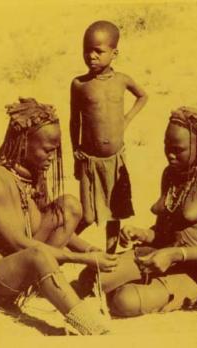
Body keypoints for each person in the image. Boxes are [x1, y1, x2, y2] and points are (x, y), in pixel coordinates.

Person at [0, 98, 117, 335]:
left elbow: (42, 227)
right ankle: (91, 328)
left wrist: (91, 251)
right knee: (37, 254)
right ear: (24, 143)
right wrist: (81, 260)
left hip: (11, 268)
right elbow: (21, 243)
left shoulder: (32, 173)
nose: (52, 157)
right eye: (47, 150)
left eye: (55, 150)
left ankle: (41, 284)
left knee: (68, 206)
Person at [79, 107, 197, 316]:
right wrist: (142, 233)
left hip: (195, 270)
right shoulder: (170, 174)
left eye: (178, 149)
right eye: (167, 147)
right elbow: (163, 233)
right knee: (90, 279)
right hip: (157, 256)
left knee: (124, 301)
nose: (170, 155)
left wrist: (175, 254)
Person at [70, 20, 148, 252]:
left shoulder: (122, 80)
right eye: (87, 50)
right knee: (87, 212)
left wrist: (126, 120)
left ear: (114, 53)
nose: (91, 56)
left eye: (98, 51)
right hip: (90, 160)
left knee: (115, 213)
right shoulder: (79, 84)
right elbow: (75, 120)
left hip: (115, 159)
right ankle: (64, 244)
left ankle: (110, 255)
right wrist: (76, 152)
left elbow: (143, 96)